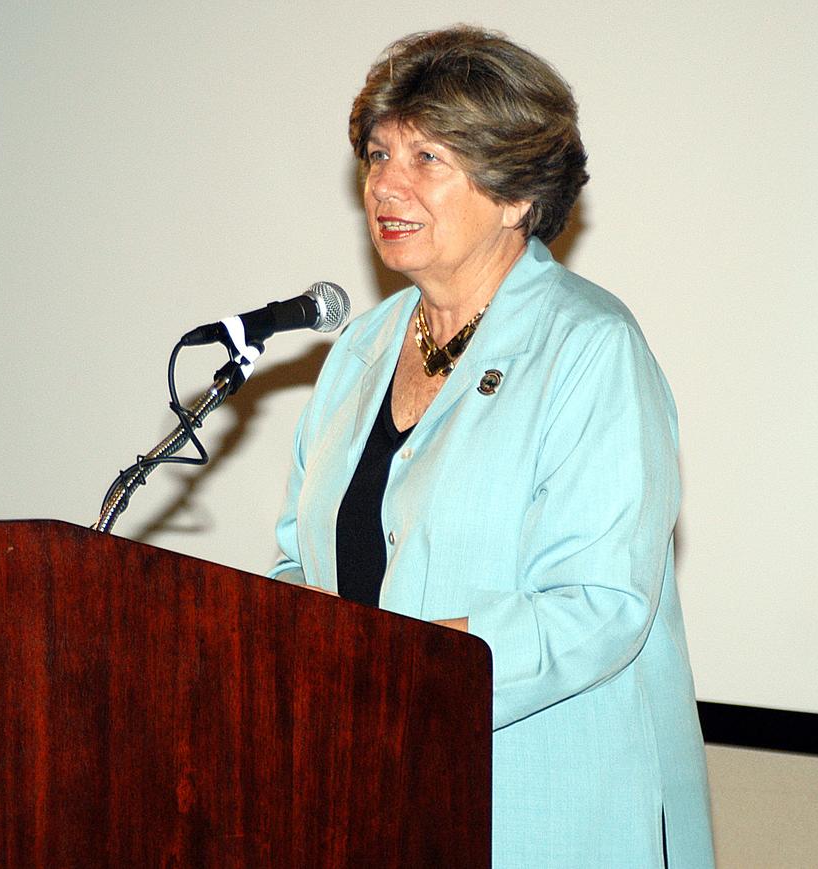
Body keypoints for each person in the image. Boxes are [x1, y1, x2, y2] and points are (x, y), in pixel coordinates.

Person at [269, 26, 714, 867]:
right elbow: (302, 563)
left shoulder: (589, 348)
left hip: (541, 810)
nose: (385, 185)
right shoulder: (359, 354)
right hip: (366, 793)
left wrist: (401, 678)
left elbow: (597, 604)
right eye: (376, 154)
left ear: (515, 195)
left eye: (427, 158)